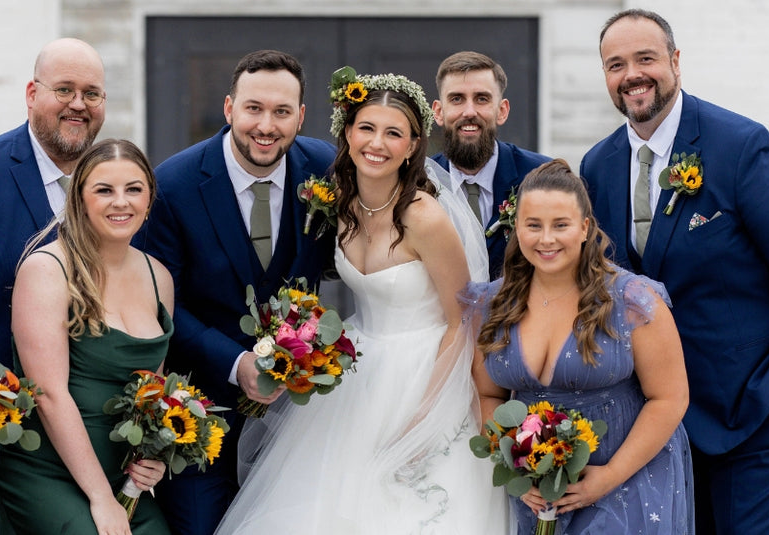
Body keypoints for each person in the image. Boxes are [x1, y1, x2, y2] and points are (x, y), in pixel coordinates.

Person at [580, 9, 769, 534]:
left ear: (675, 62)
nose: (632, 74)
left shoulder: (741, 146)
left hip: (757, 409)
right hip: (660, 420)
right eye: (616, 64)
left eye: (646, 58)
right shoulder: (597, 165)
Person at [215, 70, 507, 534]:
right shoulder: (342, 204)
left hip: (428, 372)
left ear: (413, 146)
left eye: (394, 133)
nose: (377, 143)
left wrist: (426, 417)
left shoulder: (424, 217)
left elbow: (463, 321)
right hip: (357, 370)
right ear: (347, 133)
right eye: (367, 128)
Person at [133, 50, 337, 535]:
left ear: (301, 116)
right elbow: (161, 305)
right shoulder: (174, 184)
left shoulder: (325, 168)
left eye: (282, 112)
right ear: (229, 109)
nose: (266, 126)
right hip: (203, 413)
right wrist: (234, 362)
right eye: (253, 109)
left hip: (297, 414)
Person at [470, 159, 693, 534]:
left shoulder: (633, 300)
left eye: (560, 225)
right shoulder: (493, 304)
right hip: (535, 492)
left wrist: (607, 477)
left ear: (585, 228)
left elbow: (670, 398)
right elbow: (486, 395)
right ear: (517, 228)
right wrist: (515, 467)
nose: (546, 239)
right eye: (533, 225)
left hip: (623, 482)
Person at [0, 139, 173, 535]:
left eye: (133, 189)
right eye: (104, 190)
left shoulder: (160, 278)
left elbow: (152, 394)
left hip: (118, 475)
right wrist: (101, 499)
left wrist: (151, 457)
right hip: (44, 469)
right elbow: (48, 394)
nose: (120, 202)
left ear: (150, 198)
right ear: (79, 198)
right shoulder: (47, 269)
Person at [0, 37, 106, 368]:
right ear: (32, 95)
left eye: (91, 94)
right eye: (64, 90)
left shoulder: (115, 188)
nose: (78, 104)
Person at [430, 51, 550, 280]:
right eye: (457, 99)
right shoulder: (418, 183)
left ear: (502, 110)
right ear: (438, 112)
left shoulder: (541, 176)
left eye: (482, 99)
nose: (469, 112)